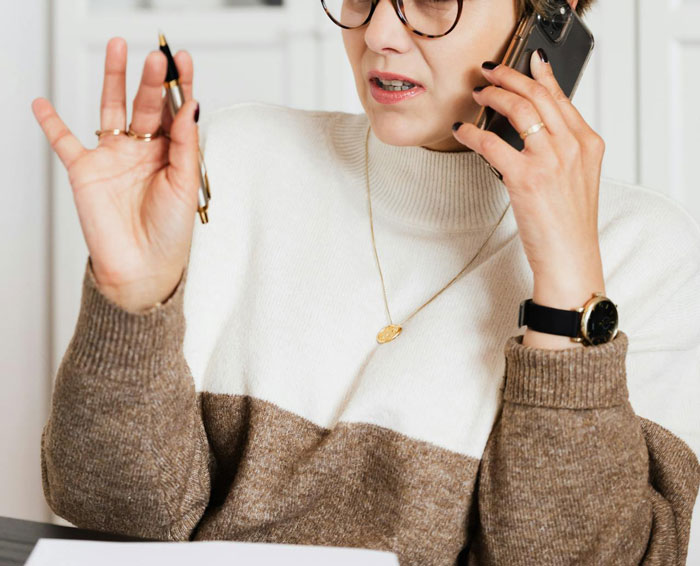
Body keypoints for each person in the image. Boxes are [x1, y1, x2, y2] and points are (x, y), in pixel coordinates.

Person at [31, 0, 700, 563]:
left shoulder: (641, 251)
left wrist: (564, 283)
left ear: (550, 18)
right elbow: (115, 521)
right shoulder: (233, 159)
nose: (377, 34)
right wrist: (130, 300)